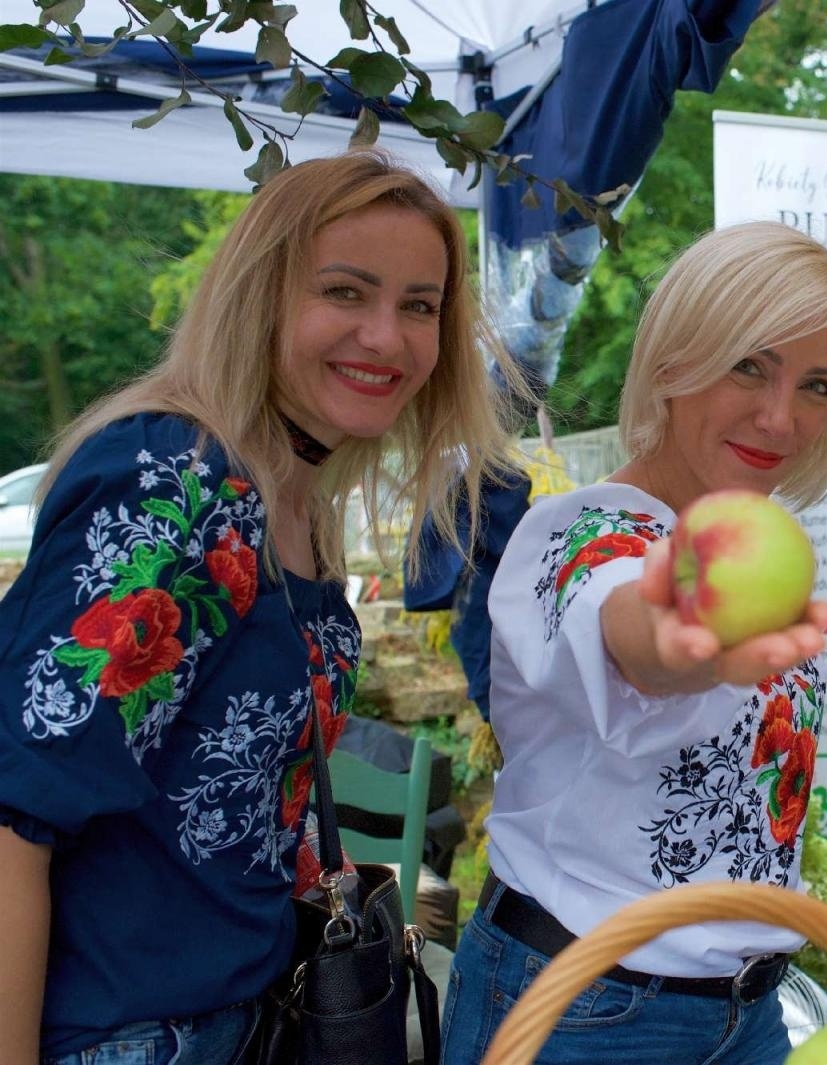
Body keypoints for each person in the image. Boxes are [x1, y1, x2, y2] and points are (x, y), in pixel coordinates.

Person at [0, 149, 521, 1064]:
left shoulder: (291, 496)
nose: (388, 338)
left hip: (242, 1017)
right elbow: (12, 816)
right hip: (127, 1034)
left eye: (419, 305)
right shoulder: (178, 484)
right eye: (346, 292)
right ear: (262, 294)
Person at [439, 221, 827, 1065]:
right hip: (583, 1012)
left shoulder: (758, 539)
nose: (782, 415)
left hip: (745, 1013)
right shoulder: (582, 532)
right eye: (749, 364)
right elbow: (627, 623)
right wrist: (678, 649)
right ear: (676, 359)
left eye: (819, 385)